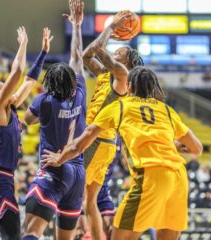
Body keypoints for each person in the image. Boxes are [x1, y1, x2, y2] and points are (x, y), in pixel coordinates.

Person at [43, 66, 203, 240]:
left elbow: (81, 143)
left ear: (129, 87)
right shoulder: (167, 111)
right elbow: (197, 149)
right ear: (153, 88)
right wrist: (171, 145)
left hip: (151, 176)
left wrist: (60, 158)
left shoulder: (119, 106)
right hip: (179, 178)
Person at [0, 26, 51, 240]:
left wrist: (44, 53)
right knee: (13, 236)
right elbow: (17, 73)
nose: (8, 88)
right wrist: (23, 44)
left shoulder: (9, 108)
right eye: (3, 86)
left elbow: (28, 81)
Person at [23, 1, 85, 239]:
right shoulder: (79, 92)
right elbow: (76, 56)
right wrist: (77, 27)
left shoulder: (44, 101)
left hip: (55, 170)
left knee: (32, 230)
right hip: (78, 173)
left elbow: (28, 120)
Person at [81, 10, 144, 240]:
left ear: (126, 60)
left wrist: (110, 27)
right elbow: (87, 56)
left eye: (121, 51)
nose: (117, 49)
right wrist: (109, 31)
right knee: (89, 203)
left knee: (74, 195)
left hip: (97, 140)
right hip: (99, 141)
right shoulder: (106, 74)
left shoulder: (123, 74)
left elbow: (98, 49)